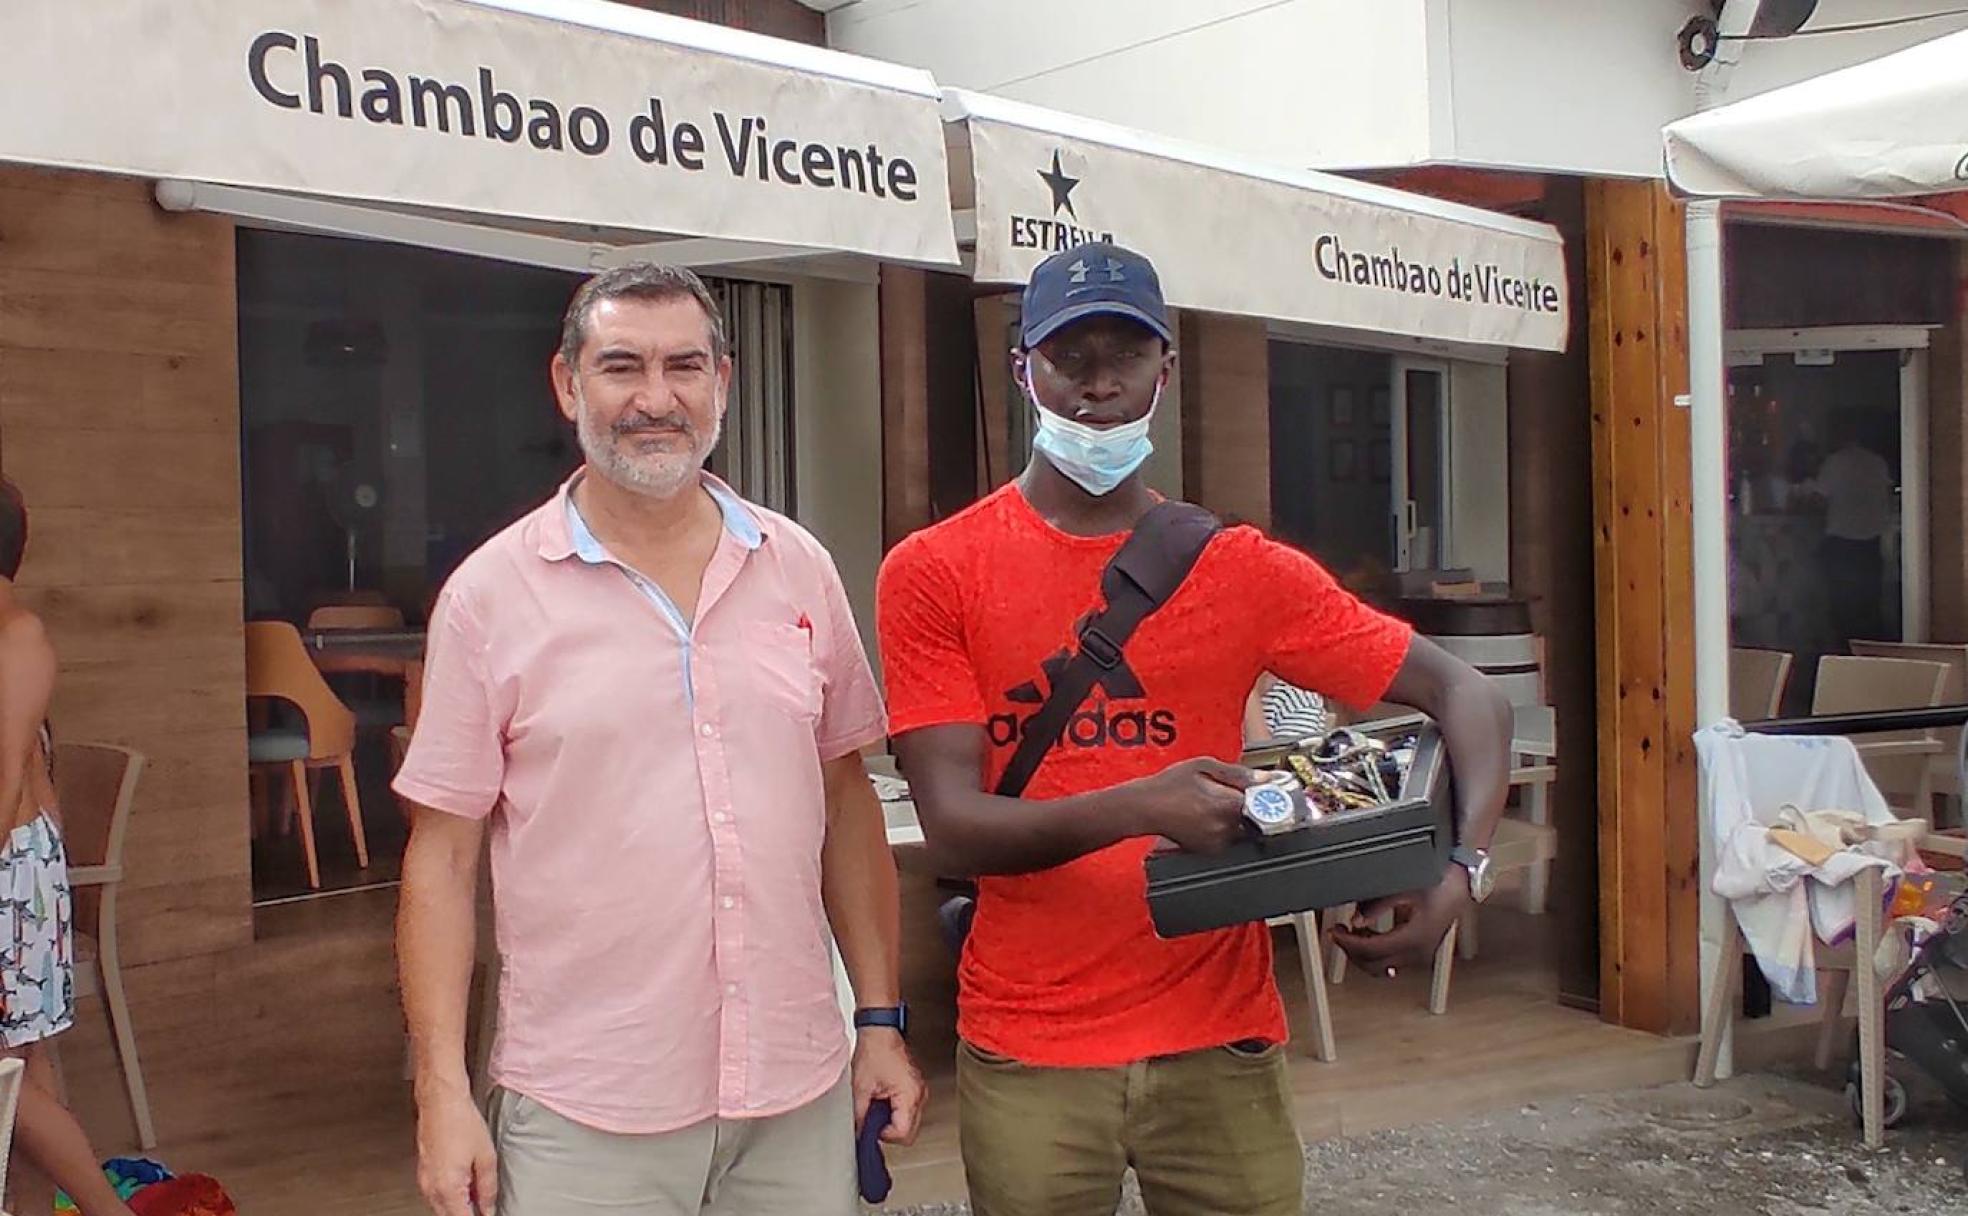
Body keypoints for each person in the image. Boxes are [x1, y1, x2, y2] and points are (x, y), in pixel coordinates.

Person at [876, 241, 1514, 1216]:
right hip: (1030, 1042)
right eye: (1068, 357)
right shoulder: (935, 570)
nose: (1097, 386)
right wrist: (1142, 804)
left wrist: (1460, 867)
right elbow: (954, 826)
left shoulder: (1240, 569)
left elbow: (1472, 699)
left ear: (1164, 372)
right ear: (1024, 371)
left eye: (1124, 357)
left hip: (1220, 1035)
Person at [394, 264, 923, 1216]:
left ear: (722, 381)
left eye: (683, 366)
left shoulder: (796, 565)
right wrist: (439, 1095)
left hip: (794, 1094)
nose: (654, 398)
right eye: (620, 367)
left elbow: (846, 803)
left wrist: (879, 1020)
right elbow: (441, 859)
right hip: (587, 1109)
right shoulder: (489, 597)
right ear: (567, 386)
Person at [0, 478, 137, 1216]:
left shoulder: (18, 638)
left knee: (10, 1077)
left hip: (12, 876)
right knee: (28, 1071)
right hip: (19, 873)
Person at [1807, 412, 1894, 647]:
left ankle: (1845, 657)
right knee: (1870, 604)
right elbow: (1886, 495)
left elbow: (1818, 500)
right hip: (1871, 543)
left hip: (1843, 544)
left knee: (1843, 607)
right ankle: (1874, 655)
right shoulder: (1877, 462)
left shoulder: (1834, 463)